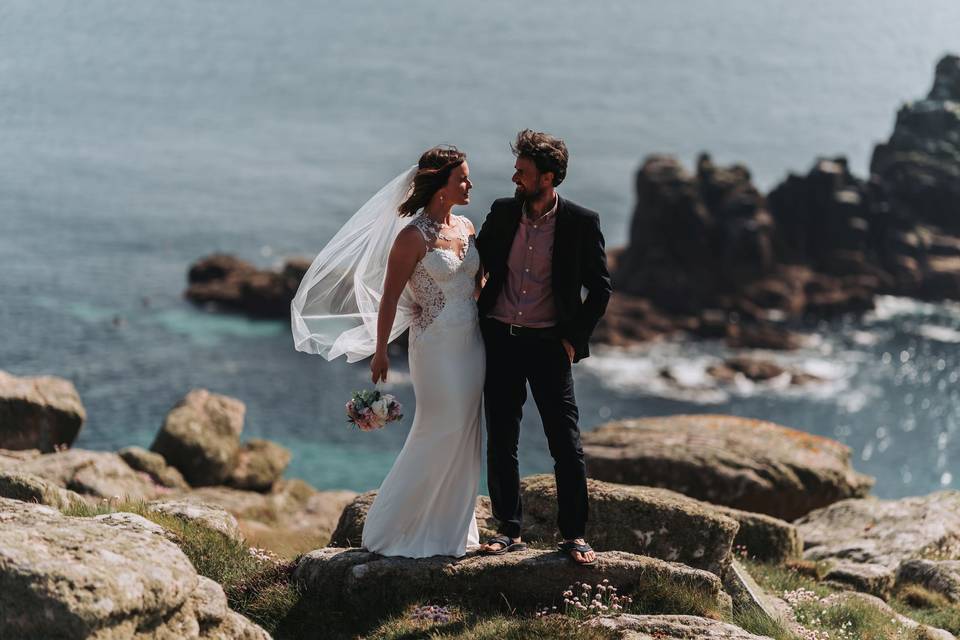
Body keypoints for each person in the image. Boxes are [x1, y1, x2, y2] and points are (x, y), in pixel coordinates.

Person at [291, 146, 484, 558]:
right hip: (434, 348)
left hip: (473, 346)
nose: (470, 184)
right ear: (440, 187)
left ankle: (449, 528)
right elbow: (389, 297)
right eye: (462, 178)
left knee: (466, 431)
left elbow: (477, 286)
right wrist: (380, 352)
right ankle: (393, 528)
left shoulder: (467, 226)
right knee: (439, 429)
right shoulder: (411, 238)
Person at [475, 129, 612, 565]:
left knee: (565, 444)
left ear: (548, 178)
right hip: (500, 340)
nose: (514, 176)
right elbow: (473, 264)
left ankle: (574, 534)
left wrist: (573, 338)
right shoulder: (500, 212)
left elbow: (601, 290)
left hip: (550, 345)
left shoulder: (581, 222)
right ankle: (507, 531)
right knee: (502, 439)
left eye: (524, 171)